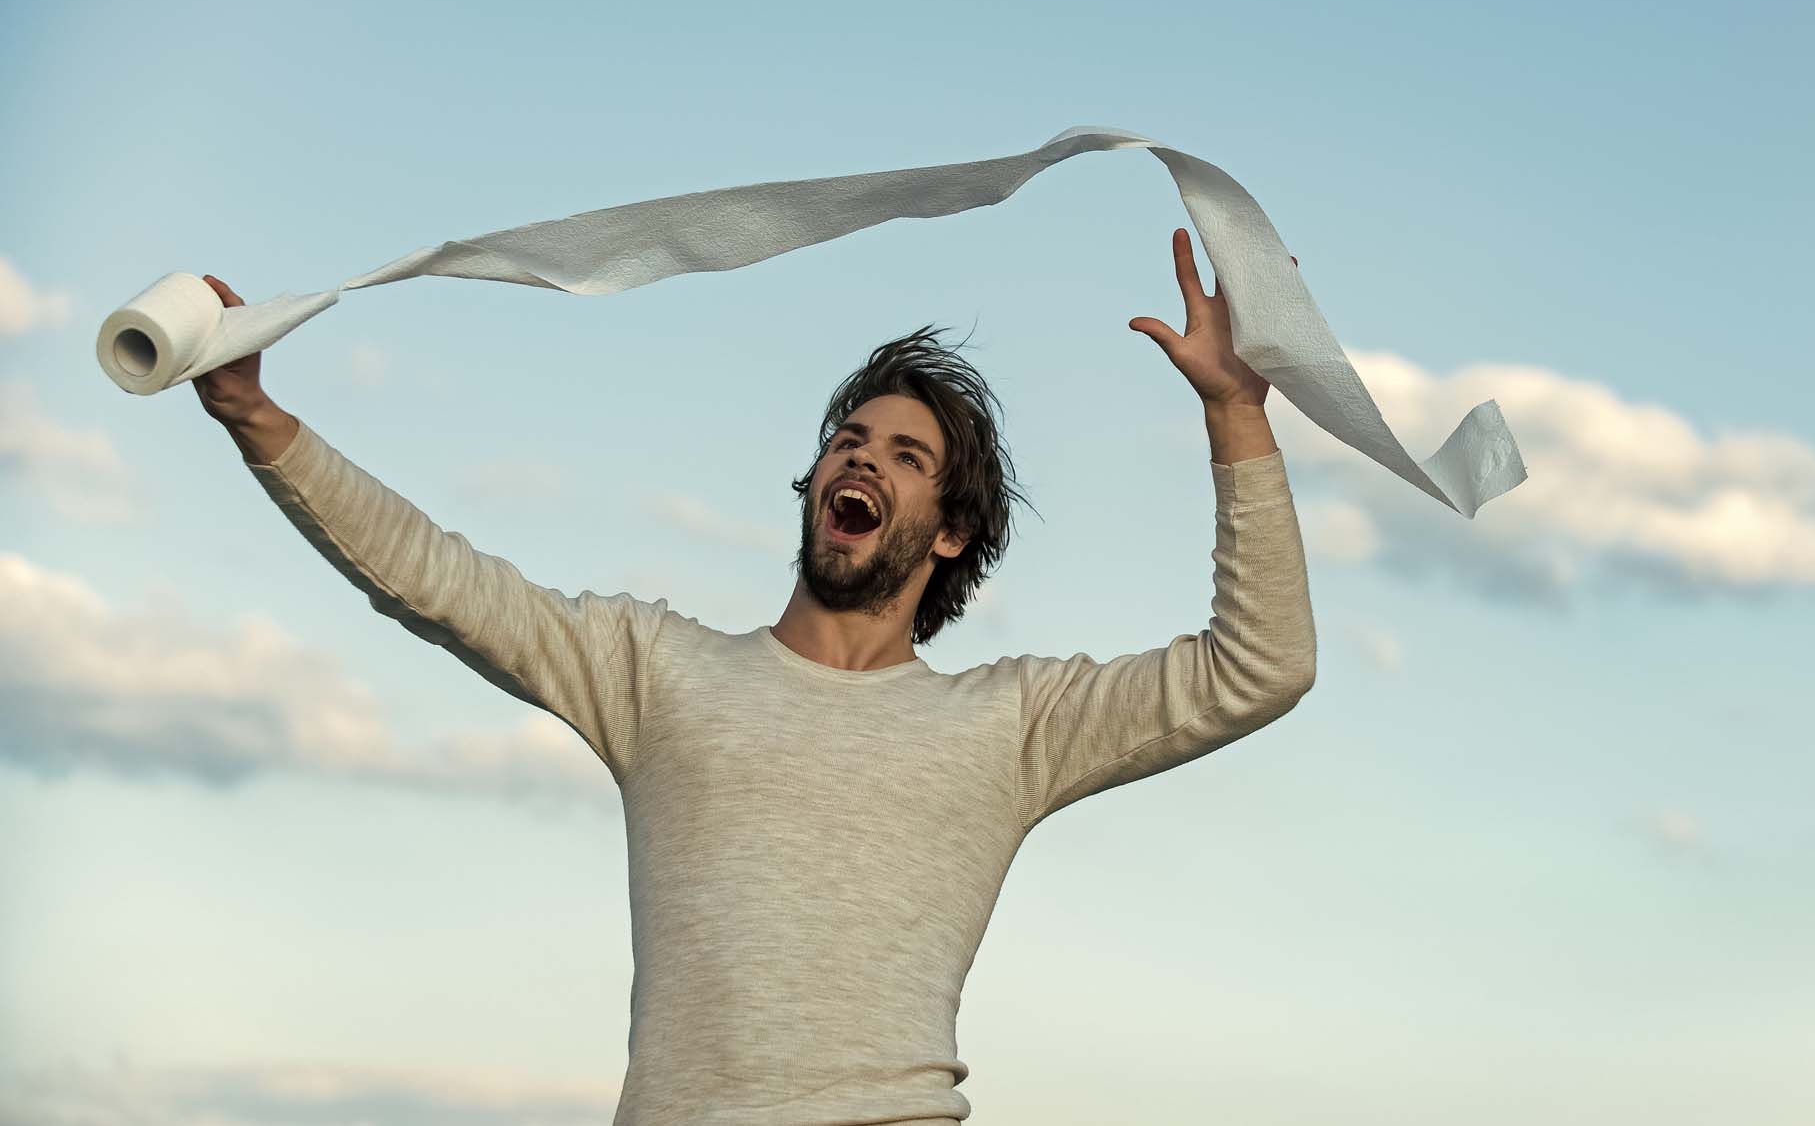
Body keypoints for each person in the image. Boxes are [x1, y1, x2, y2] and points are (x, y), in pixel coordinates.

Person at [194, 227, 1317, 1126]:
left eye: (904, 455)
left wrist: (1231, 413)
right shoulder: (653, 670)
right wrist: (258, 416)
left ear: (948, 535)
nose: (861, 455)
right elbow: (435, 580)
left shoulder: (1010, 722)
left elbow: (1258, 666)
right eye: (848, 438)